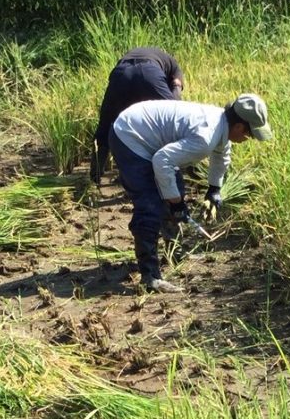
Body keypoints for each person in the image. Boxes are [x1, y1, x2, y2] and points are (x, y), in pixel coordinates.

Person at [110, 94, 272, 293]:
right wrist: (176, 202)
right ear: (239, 127)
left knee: (172, 188)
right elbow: (162, 161)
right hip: (130, 135)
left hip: (145, 131)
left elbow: (222, 155)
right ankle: (150, 277)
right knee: (150, 204)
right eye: (250, 135)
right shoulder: (206, 136)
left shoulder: (221, 124)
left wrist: (214, 189)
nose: (249, 139)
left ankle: (174, 252)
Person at [89, 47, 185, 184]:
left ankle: (95, 175)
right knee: (174, 117)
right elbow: (176, 92)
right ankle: (180, 174)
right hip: (149, 73)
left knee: (106, 123)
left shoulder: (155, 55)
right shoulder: (174, 67)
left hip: (121, 74)